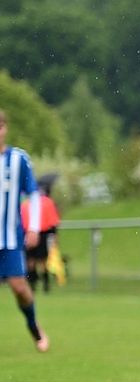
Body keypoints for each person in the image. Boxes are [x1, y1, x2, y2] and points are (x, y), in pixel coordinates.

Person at [0, 110, 49, 352]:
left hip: (9, 238)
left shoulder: (18, 159)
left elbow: (33, 193)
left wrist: (34, 227)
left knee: (19, 288)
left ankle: (33, 325)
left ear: (5, 128)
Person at [20, 181, 61, 293]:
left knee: (30, 260)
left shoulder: (25, 204)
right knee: (42, 260)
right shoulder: (48, 202)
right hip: (43, 233)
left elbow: (21, 223)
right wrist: (55, 236)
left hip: (28, 234)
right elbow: (53, 222)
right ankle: (45, 284)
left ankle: (32, 284)